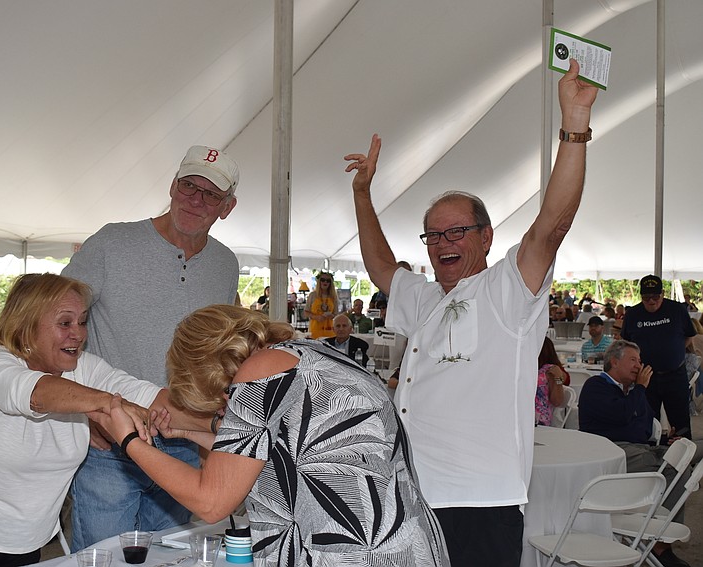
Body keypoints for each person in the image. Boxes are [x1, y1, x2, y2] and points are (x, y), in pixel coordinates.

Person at [343, 60, 597, 566]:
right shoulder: (423, 296)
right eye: (434, 235)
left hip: (478, 502)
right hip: (411, 494)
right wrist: (362, 195)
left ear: (486, 237)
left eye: (457, 231)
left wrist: (574, 127)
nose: (444, 243)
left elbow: (551, 226)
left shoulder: (506, 291)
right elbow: (381, 266)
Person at [90, 305, 451, 566]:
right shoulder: (311, 355)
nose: (223, 406)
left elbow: (212, 501)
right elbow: (276, 457)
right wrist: (186, 431)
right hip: (405, 549)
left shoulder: (260, 371)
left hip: (353, 554)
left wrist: (129, 441)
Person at [0, 274, 198, 567]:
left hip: (23, 542)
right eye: (65, 323)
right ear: (27, 324)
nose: (78, 334)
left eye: (82, 321)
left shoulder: (83, 369)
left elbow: (154, 400)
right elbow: (36, 392)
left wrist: (216, 424)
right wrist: (105, 404)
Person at [62, 144, 240, 547]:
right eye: (189, 185)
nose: (195, 199)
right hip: (111, 442)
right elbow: (53, 322)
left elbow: (224, 349)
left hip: (184, 441)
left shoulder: (225, 264)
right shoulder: (112, 242)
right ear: (173, 186)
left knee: (168, 556)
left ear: (227, 207)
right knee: (104, 558)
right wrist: (82, 410)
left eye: (210, 194)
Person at [578, 339, 693, 567]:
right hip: (609, 452)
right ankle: (659, 544)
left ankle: (658, 537)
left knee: (688, 455)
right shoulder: (596, 386)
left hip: (640, 449)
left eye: (639, 361)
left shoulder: (631, 392)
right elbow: (622, 415)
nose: (639, 366)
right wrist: (640, 388)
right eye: (633, 360)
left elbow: (644, 429)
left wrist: (666, 440)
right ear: (614, 362)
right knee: (671, 465)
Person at [621, 275, 696, 439]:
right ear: (641, 296)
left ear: (662, 294)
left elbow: (689, 336)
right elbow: (626, 344)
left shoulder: (677, 310)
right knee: (646, 422)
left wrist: (674, 352)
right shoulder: (633, 314)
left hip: (675, 375)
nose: (651, 301)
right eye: (646, 297)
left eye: (655, 297)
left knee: (681, 423)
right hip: (645, 376)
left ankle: (684, 453)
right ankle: (650, 452)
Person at [535, 337, 567, 426]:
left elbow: (557, 401)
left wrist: (558, 378)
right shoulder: (527, 368)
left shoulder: (551, 370)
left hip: (538, 420)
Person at [304, 272, 338, 339]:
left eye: (328, 281)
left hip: (329, 330)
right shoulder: (312, 295)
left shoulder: (333, 297)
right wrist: (316, 317)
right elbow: (306, 312)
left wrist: (331, 316)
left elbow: (335, 313)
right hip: (315, 330)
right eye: (323, 280)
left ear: (330, 283)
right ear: (319, 282)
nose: (325, 282)